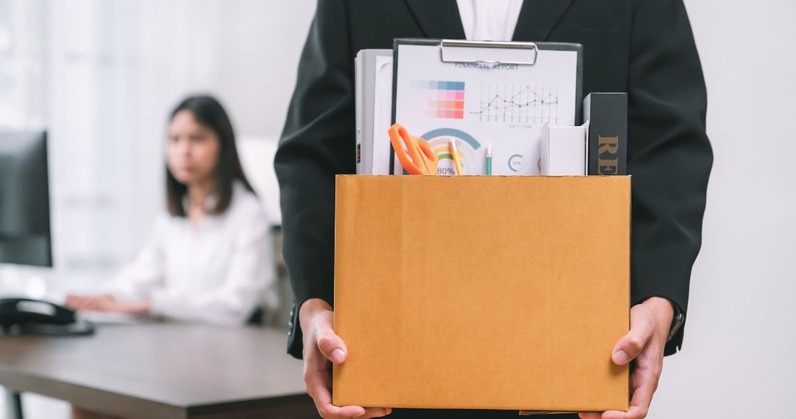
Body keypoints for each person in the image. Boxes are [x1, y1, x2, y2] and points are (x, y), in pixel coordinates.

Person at [275, 1, 713, 418]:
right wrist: (316, 305)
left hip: (576, 371)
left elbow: (670, 146)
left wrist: (658, 303)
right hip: (392, 373)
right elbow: (311, 152)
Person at [67, 94, 276, 327]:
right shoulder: (173, 216)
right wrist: (100, 298)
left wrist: (150, 305)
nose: (183, 150)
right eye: (175, 139)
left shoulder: (248, 213)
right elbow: (139, 277)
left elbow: (234, 306)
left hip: (234, 349)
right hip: (179, 343)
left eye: (197, 138)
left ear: (223, 145)